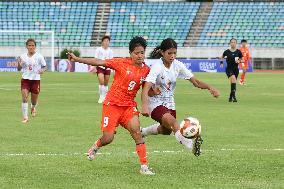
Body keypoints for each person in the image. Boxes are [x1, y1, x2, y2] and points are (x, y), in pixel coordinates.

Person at [68, 36, 154, 175]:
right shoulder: (121, 63)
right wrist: (77, 59)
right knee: (108, 138)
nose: (139, 56)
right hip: (112, 105)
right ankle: (96, 146)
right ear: (130, 53)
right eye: (136, 53)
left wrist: (155, 91)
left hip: (128, 107)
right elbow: (98, 62)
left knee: (137, 133)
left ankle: (144, 167)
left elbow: (147, 89)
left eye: (142, 52)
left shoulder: (147, 70)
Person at [141, 38, 220, 157]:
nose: (172, 56)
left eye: (174, 53)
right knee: (173, 122)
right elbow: (146, 87)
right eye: (169, 53)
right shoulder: (157, 67)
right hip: (155, 103)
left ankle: (143, 132)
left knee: (167, 130)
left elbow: (196, 82)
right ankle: (191, 144)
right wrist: (145, 106)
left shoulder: (178, 65)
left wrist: (210, 87)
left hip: (169, 102)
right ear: (162, 52)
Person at [17, 38, 47, 123]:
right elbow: (18, 69)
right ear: (26, 46)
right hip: (25, 80)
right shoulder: (22, 56)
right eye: (29, 45)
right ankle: (25, 117)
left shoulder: (39, 56)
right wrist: (19, 64)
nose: (31, 47)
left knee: (34, 101)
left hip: (35, 80)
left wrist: (42, 70)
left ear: (35, 47)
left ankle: (33, 107)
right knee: (24, 97)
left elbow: (45, 66)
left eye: (32, 45)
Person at [220, 38, 244, 102]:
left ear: (236, 43)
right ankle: (234, 97)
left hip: (236, 69)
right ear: (230, 43)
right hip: (229, 69)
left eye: (234, 42)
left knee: (233, 82)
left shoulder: (238, 52)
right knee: (233, 78)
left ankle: (230, 97)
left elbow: (243, 60)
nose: (233, 43)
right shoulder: (227, 51)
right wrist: (221, 63)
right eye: (232, 42)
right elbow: (222, 57)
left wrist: (239, 61)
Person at [94, 36, 114, 103]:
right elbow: (96, 59)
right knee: (101, 81)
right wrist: (94, 67)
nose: (106, 42)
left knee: (106, 83)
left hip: (107, 67)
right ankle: (101, 96)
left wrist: (113, 70)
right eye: (105, 41)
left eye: (107, 41)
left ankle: (105, 96)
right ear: (102, 42)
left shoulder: (110, 51)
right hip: (100, 66)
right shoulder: (98, 49)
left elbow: (112, 61)